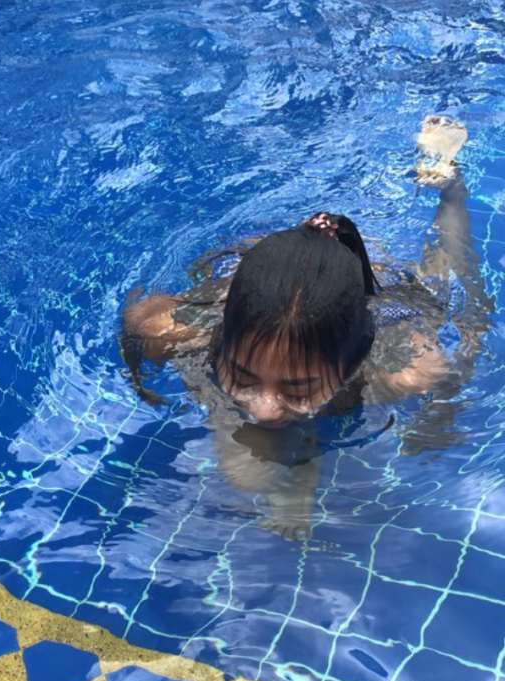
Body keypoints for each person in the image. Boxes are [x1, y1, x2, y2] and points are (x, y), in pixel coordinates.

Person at [121, 117, 492, 539]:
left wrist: (438, 419)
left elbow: (468, 339)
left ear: (355, 364)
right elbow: (137, 321)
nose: (264, 408)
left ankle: (450, 185)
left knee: (440, 277)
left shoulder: (407, 367)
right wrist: (148, 385)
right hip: (254, 272)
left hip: (378, 287)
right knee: (249, 467)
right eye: (244, 377)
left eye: (297, 390)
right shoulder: (167, 330)